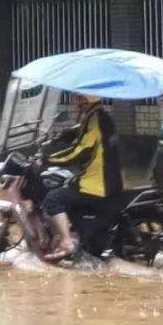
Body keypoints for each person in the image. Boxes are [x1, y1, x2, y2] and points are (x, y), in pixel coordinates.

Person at [40, 93, 123, 260]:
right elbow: (82, 131)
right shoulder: (98, 116)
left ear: (86, 100)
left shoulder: (95, 120)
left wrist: (48, 160)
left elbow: (81, 151)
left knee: (53, 198)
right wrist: (62, 136)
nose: (74, 101)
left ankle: (66, 242)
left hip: (97, 184)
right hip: (109, 181)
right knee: (69, 186)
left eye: (77, 98)